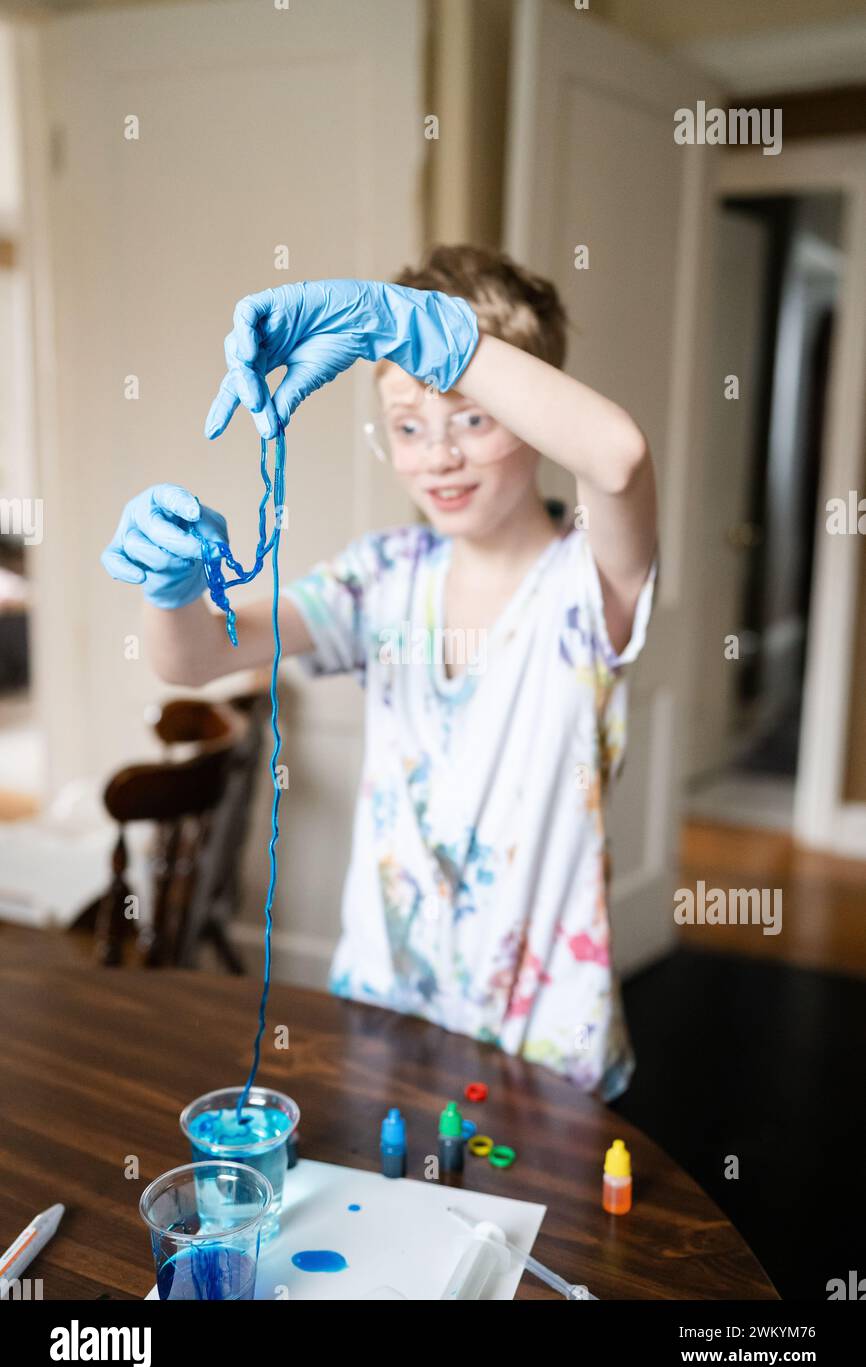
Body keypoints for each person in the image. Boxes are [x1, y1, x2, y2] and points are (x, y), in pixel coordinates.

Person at [102, 246, 657, 1100]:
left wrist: (407, 328)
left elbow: (616, 457)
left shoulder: (589, 585)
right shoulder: (381, 579)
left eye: (473, 418)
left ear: (533, 413)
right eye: (407, 425)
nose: (437, 455)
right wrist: (170, 588)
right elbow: (194, 657)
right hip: (380, 1024)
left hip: (545, 1048)